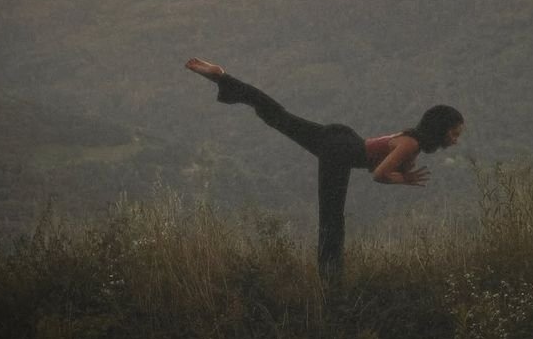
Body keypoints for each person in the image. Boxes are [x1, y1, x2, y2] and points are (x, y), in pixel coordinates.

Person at [185, 58, 464, 278]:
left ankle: (224, 79)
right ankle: (330, 280)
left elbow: (375, 162)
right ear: (440, 130)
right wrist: (404, 180)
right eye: (454, 133)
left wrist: (401, 173)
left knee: (279, 116)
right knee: (332, 219)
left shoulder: (411, 139)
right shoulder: (411, 145)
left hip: (341, 139)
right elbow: (378, 175)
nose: (455, 139)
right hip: (339, 152)